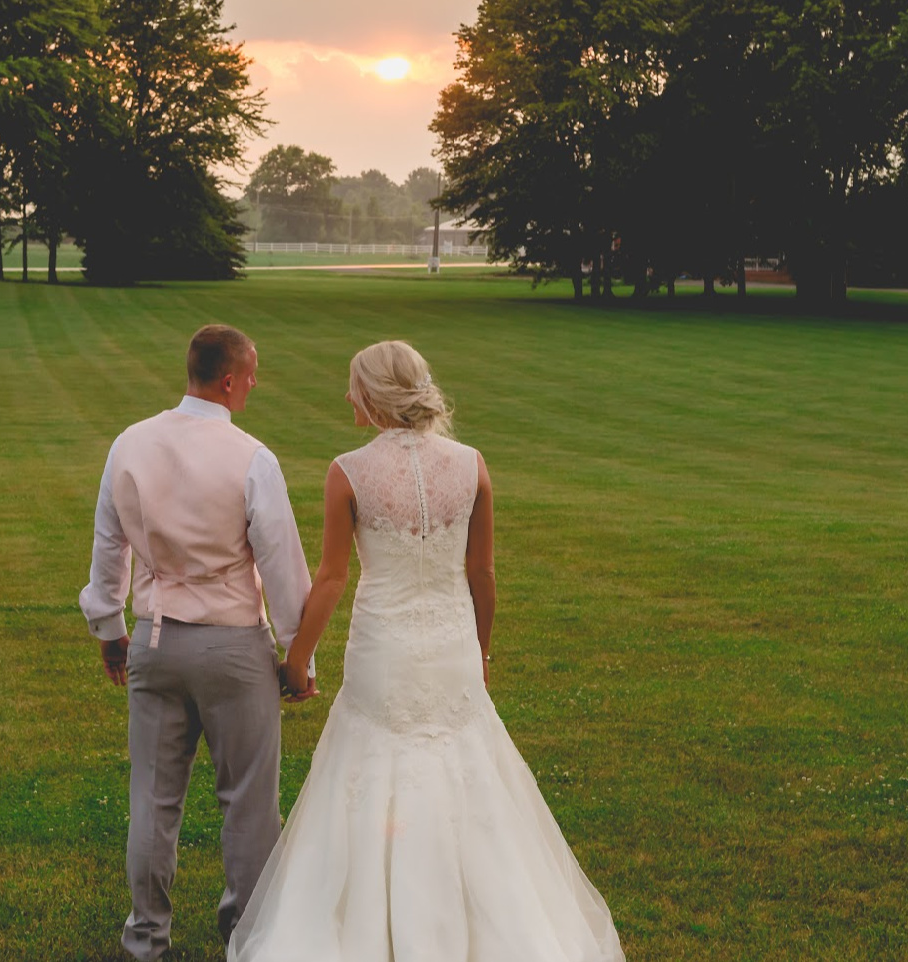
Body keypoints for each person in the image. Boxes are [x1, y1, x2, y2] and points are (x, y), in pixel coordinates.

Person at [227, 341, 624, 961]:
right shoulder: (471, 464)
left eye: (353, 385)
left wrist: (298, 655)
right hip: (451, 644)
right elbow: (483, 574)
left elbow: (332, 577)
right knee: (466, 771)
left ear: (374, 395)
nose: (346, 396)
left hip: (383, 646)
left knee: (370, 765)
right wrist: (482, 650)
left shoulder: (348, 471)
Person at [79, 324, 316, 961]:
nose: (256, 384)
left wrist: (109, 627)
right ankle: (248, 936)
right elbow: (284, 567)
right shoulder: (251, 458)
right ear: (231, 379)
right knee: (248, 801)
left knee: (152, 800)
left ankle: (147, 937)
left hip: (154, 642)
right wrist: (299, 657)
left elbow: (109, 547)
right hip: (234, 647)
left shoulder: (129, 444)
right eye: (253, 374)